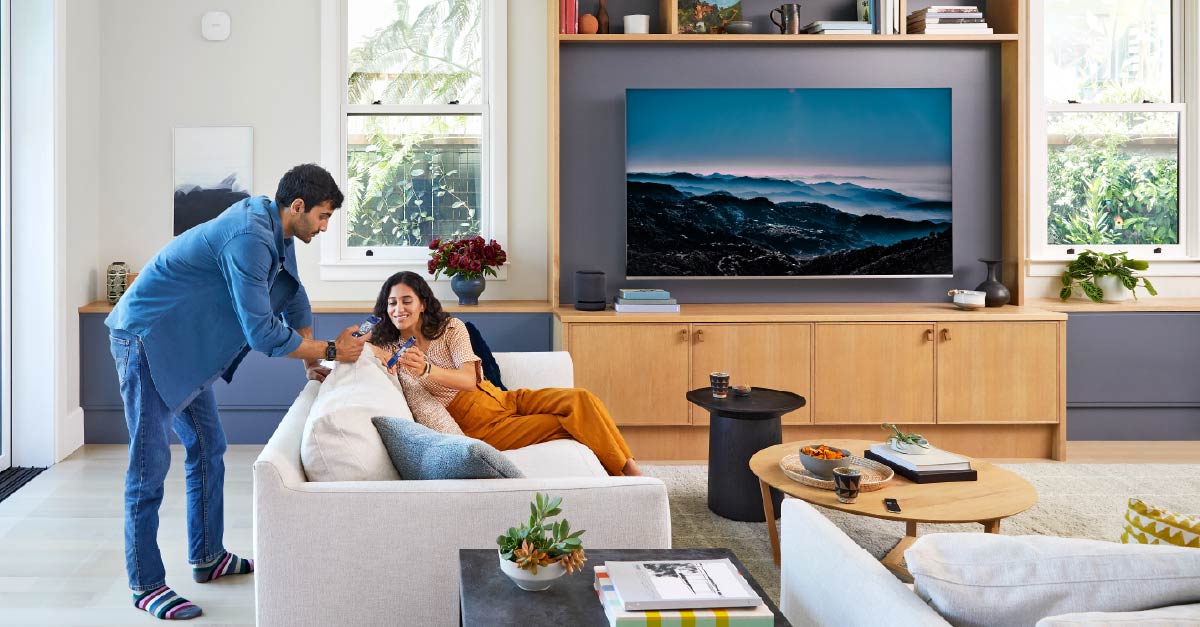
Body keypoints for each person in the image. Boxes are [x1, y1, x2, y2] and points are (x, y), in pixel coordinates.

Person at [106, 164, 372, 620]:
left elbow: (294, 296)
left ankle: (208, 558)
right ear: (298, 206)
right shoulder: (248, 238)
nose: (326, 227)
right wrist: (329, 349)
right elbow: (263, 334)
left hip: (183, 347)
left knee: (210, 446)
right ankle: (145, 584)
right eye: (324, 216)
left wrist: (311, 355)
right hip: (146, 340)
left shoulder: (277, 230)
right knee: (148, 467)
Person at [366, 271, 642, 477]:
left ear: (422, 303)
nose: (398, 309)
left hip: (501, 397)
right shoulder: (393, 348)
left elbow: (469, 380)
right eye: (391, 303)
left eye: (406, 301)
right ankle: (628, 478)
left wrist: (427, 369)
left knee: (582, 399)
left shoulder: (450, 328)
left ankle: (629, 468)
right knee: (564, 424)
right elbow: (362, 347)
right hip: (481, 425)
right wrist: (361, 347)